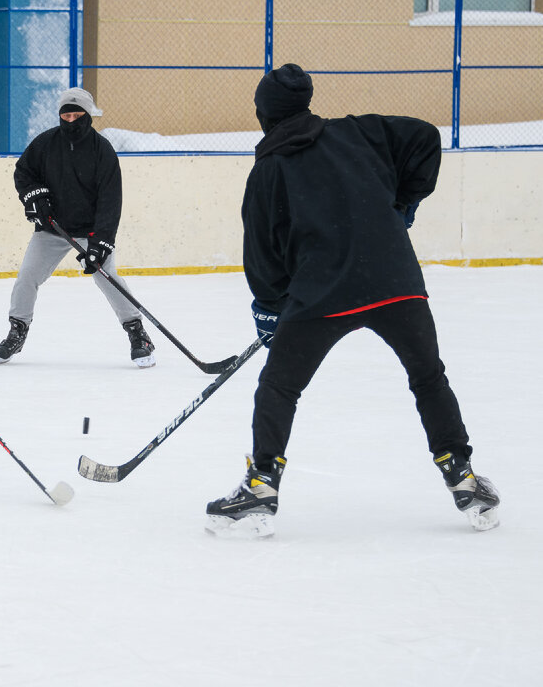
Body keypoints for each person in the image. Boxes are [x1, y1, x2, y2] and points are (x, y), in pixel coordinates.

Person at [205, 64, 498, 538]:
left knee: (279, 387)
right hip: (395, 281)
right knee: (428, 377)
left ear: (265, 114)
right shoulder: (359, 132)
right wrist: (403, 203)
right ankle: (462, 475)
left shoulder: (269, 170)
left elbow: (261, 254)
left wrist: (269, 310)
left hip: (323, 293)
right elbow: (424, 137)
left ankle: (261, 485)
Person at [0, 87, 156, 368]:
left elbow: (110, 200)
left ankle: (137, 333)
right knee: (27, 277)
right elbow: (24, 172)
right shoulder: (45, 143)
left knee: (108, 277)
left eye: (76, 113)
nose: (70, 119)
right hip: (53, 229)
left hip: (91, 230)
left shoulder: (102, 150)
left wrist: (101, 242)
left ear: (87, 114)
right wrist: (35, 197)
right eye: (65, 114)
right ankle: (17, 330)